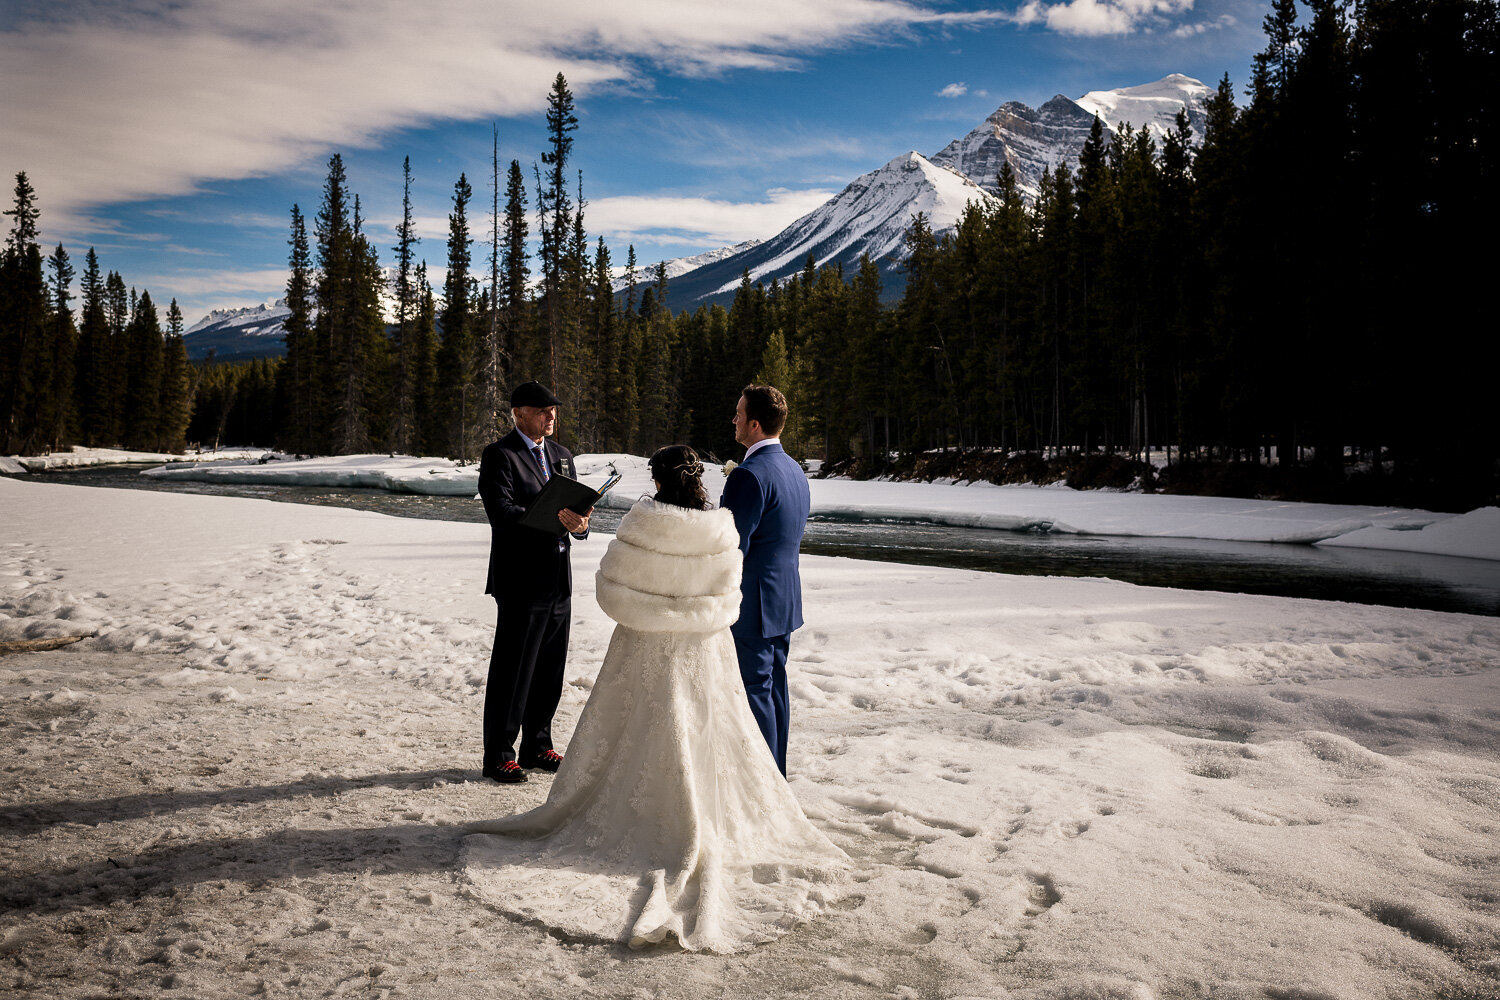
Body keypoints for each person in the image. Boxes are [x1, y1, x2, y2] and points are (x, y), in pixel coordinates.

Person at [465, 446, 847, 953]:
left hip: (643, 652)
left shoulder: (643, 524)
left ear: (659, 480)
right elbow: (729, 594)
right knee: (710, 729)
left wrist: (650, 612)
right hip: (704, 654)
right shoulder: (719, 530)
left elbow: (611, 590)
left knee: (636, 729)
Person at [477, 381, 591, 784]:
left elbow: (578, 515)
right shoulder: (500, 455)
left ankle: (537, 746)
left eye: (554, 410)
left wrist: (579, 525)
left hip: (559, 579)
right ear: (519, 412)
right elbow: (501, 511)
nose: (551, 415)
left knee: (549, 667)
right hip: (521, 579)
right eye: (544, 410)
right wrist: (548, 519)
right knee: (514, 669)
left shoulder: (562, 456)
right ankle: (500, 755)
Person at [719, 384, 809, 776]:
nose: (734, 419)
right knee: (775, 688)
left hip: (751, 603)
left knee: (754, 691)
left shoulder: (749, 476)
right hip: (783, 599)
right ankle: (779, 777)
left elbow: (730, 547)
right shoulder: (794, 470)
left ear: (754, 424)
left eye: (739, 414)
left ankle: (763, 784)